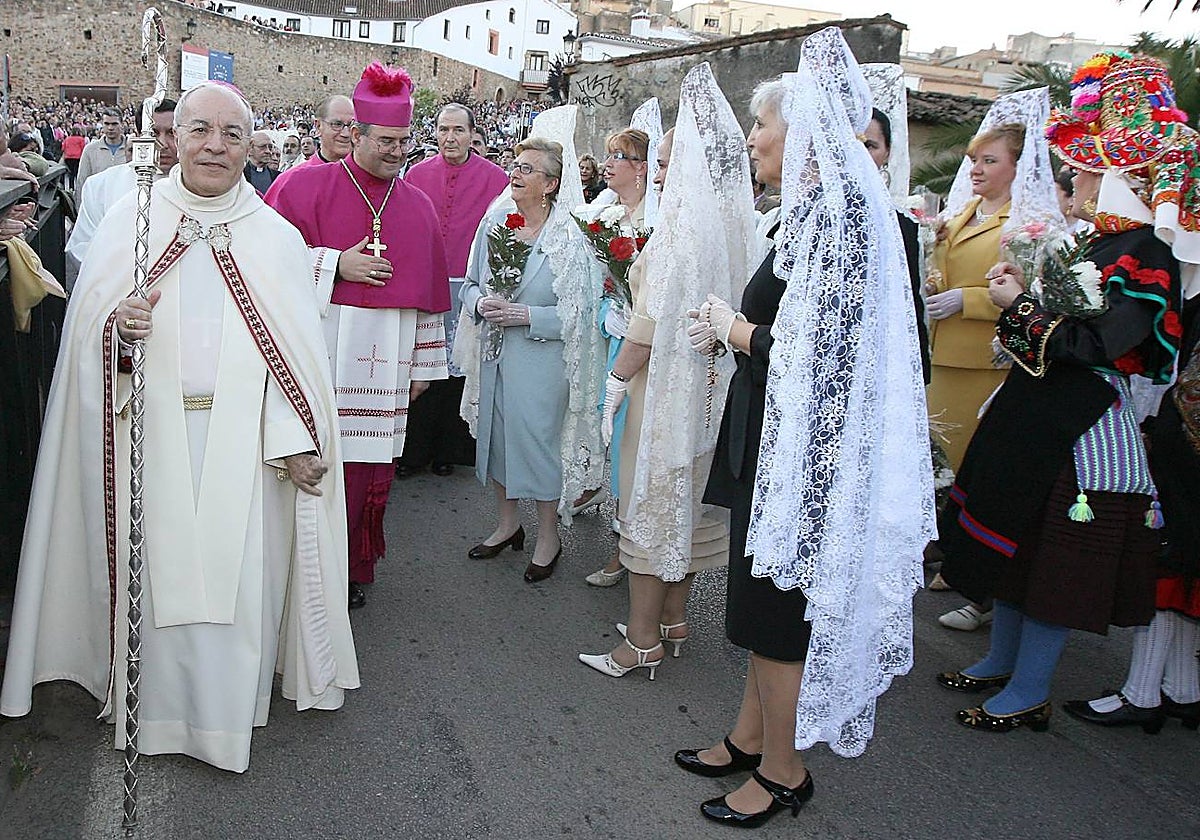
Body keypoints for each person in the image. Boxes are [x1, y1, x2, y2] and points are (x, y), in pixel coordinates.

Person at [0, 81, 359, 773]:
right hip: (148, 435)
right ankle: (150, 709)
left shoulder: (276, 238)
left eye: (232, 133)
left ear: (250, 144)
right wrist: (118, 332)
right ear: (174, 138)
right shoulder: (131, 221)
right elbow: (85, 347)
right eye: (200, 130)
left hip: (249, 450)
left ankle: (225, 719)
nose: (215, 146)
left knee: (237, 590)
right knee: (153, 578)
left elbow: (295, 359)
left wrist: (295, 441)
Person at [676, 28, 933, 826]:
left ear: (805, 132)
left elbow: (823, 358)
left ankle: (785, 771)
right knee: (761, 607)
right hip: (773, 437)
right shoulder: (815, 211)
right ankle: (750, 735)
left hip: (802, 455)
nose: (753, 138)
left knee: (779, 611)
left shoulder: (843, 219)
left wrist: (735, 330)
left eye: (763, 125)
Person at [936, 53, 1196, 733]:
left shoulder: (1146, 252)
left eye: (1086, 170)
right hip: (1040, 413)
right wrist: (1018, 304)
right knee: (1015, 544)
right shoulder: (1102, 245)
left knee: (1051, 562)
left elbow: (1097, 345)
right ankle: (1002, 662)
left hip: (1081, 428)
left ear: (1121, 180)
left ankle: (1028, 690)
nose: (1073, 178)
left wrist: (1018, 306)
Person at [578, 63, 753, 679]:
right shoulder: (738, 226)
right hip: (713, 390)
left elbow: (649, 324)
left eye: (666, 162)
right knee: (690, 506)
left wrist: (614, 382)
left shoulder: (679, 234)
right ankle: (677, 621)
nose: (657, 173)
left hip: (664, 391)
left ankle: (642, 640)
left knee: (652, 504)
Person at [267, 64, 451, 611]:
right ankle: (300, 567)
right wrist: (333, 265)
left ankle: (350, 567)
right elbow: (262, 265)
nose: (397, 152)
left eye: (403, 141)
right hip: (318, 357)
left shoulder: (416, 204)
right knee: (313, 464)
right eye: (386, 141)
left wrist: (423, 367)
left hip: (386, 362)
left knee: (368, 475)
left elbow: (427, 297)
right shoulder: (303, 186)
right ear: (356, 134)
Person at [924, 89, 1065, 623]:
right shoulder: (961, 212)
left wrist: (970, 299)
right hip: (942, 354)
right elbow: (944, 264)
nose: (977, 170)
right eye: (974, 160)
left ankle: (978, 587)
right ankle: (947, 554)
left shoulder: (1026, 225)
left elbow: (1035, 295)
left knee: (972, 470)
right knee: (938, 463)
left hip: (985, 362)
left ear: (1017, 167)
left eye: (989, 160)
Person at [459, 116, 605, 584]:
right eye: (515, 165)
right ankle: (508, 524)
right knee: (496, 439)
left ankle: (548, 536)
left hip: (542, 363)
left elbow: (582, 315)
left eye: (527, 168)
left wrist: (528, 316)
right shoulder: (495, 222)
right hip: (496, 354)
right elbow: (470, 284)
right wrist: (480, 303)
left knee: (538, 445)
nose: (515, 174)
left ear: (551, 184)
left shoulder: (569, 239)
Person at [1065, 290, 1200, 733]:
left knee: (1168, 560)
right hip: (1182, 452)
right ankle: (1182, 689)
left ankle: (1144, 693)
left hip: (1187, 460)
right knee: (1184, 569)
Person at [402, 103, 510, 478]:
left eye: (458, 130)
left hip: (469, 288)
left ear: (472, 134)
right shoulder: (416, 174)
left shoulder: (496, 179)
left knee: (459, 368)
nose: (450, 138)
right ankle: (412, 451)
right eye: (444, 129)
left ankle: (450, 449)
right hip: (425, 283)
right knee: (420, 365)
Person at [577, 126, 653, 581]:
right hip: (611, 334)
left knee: (630, 441)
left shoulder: (653, 220)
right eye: (607, 155)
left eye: (617, 156)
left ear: (640, 168)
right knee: (608, 431)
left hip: (641, 348)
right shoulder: (606, 213)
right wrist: (610, 302)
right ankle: (606, 502)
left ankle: (626, 545)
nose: (607, 164)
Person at [67, 99, 178, 273]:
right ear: (139, 135)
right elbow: (82, 248)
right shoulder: (100, 186)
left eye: (171, 133)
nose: (162, 143)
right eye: (153, 133)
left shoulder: (201, 187)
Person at [75, 107, 127, 199]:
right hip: (98, 201)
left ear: (122, 125)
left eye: (114, 124)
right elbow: (82, 181)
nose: (110, 128)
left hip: (124, 201)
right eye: (107, 124)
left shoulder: (131, 149)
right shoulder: (90, 150)